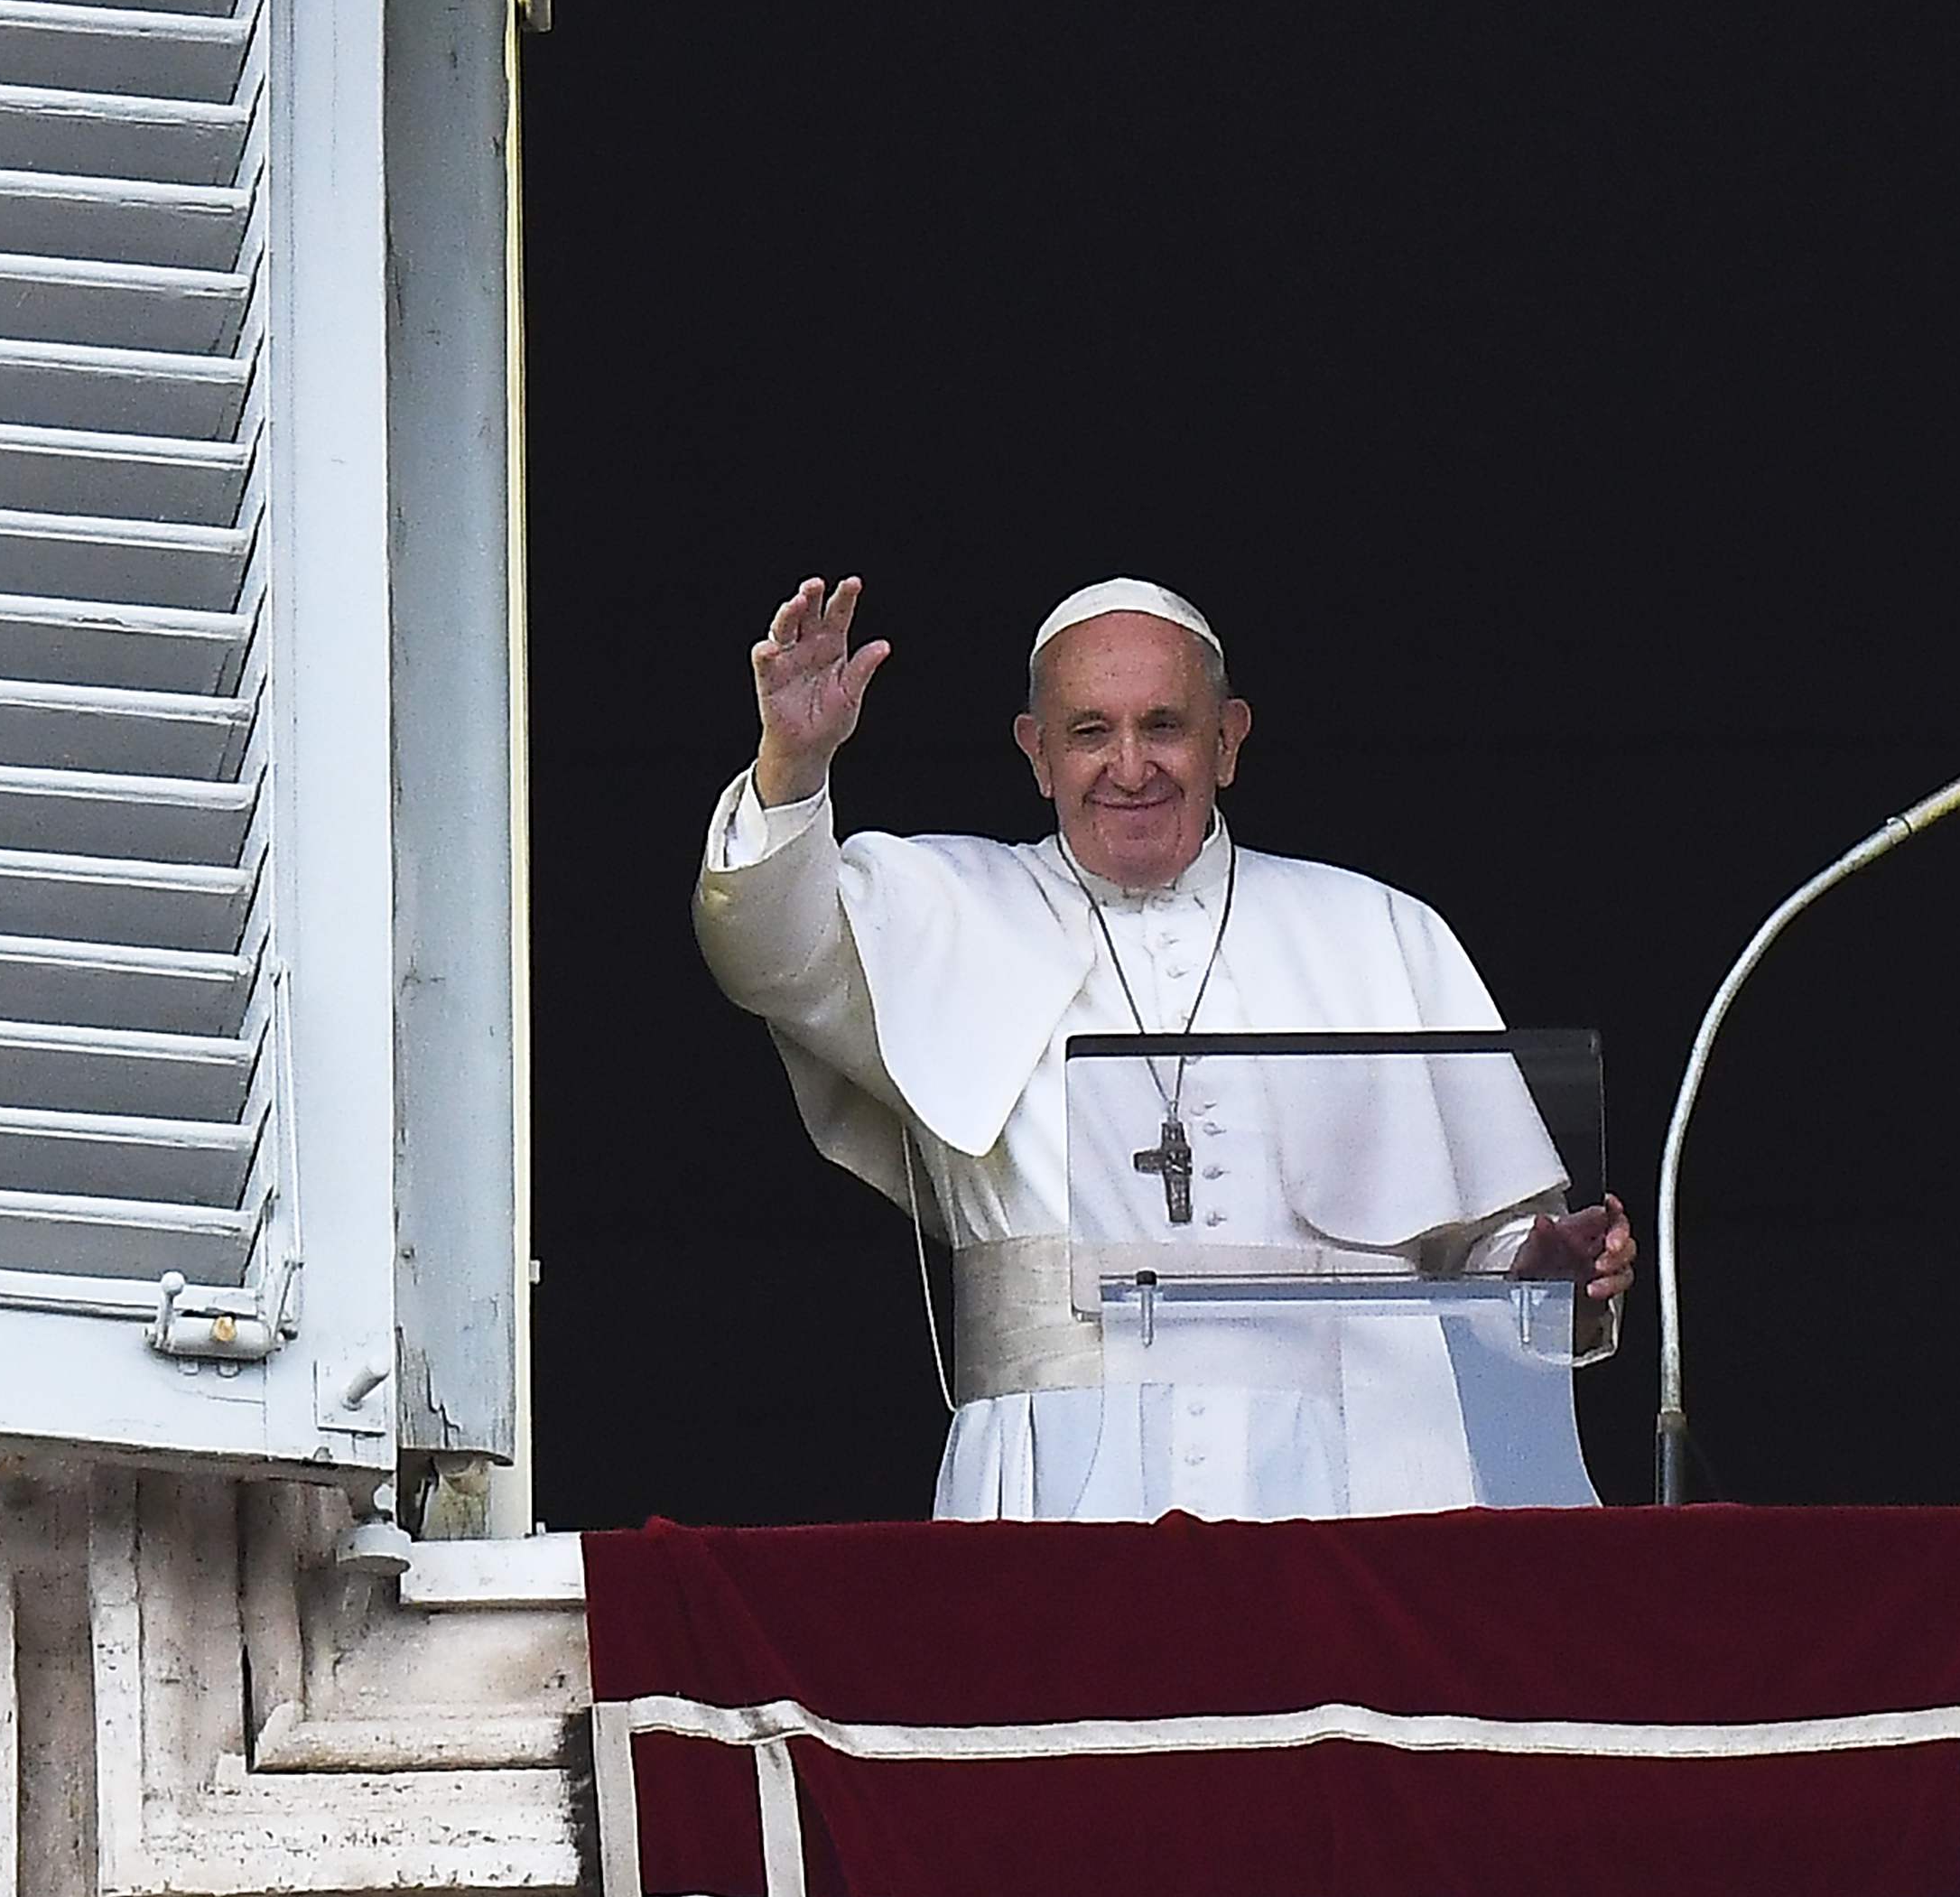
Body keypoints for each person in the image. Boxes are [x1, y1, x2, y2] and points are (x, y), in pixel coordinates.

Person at [696, 572, 1635, 1520]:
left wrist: (1551, 1274)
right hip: (1050, 1486)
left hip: (1351, 1479)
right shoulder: (937, 905)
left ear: (1228, 740)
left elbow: (1497, 1256)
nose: (1131, 766)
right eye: (1090, 732)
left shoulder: (1378, 930)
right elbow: (769, 952)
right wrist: (792, 769)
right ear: (1037, 755)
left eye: (1166, 726)